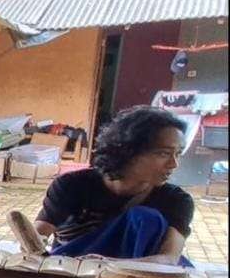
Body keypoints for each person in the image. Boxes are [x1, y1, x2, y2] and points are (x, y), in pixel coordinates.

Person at [35, 106, 194, 264]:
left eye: (178, 154)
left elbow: (169, 259)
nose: (174, 164)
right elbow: (35, 240)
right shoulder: (72, 185)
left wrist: (106, 265)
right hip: (74, 271)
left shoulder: (176, 200)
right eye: (164, 153)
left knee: (146, 218)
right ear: (129, 151)